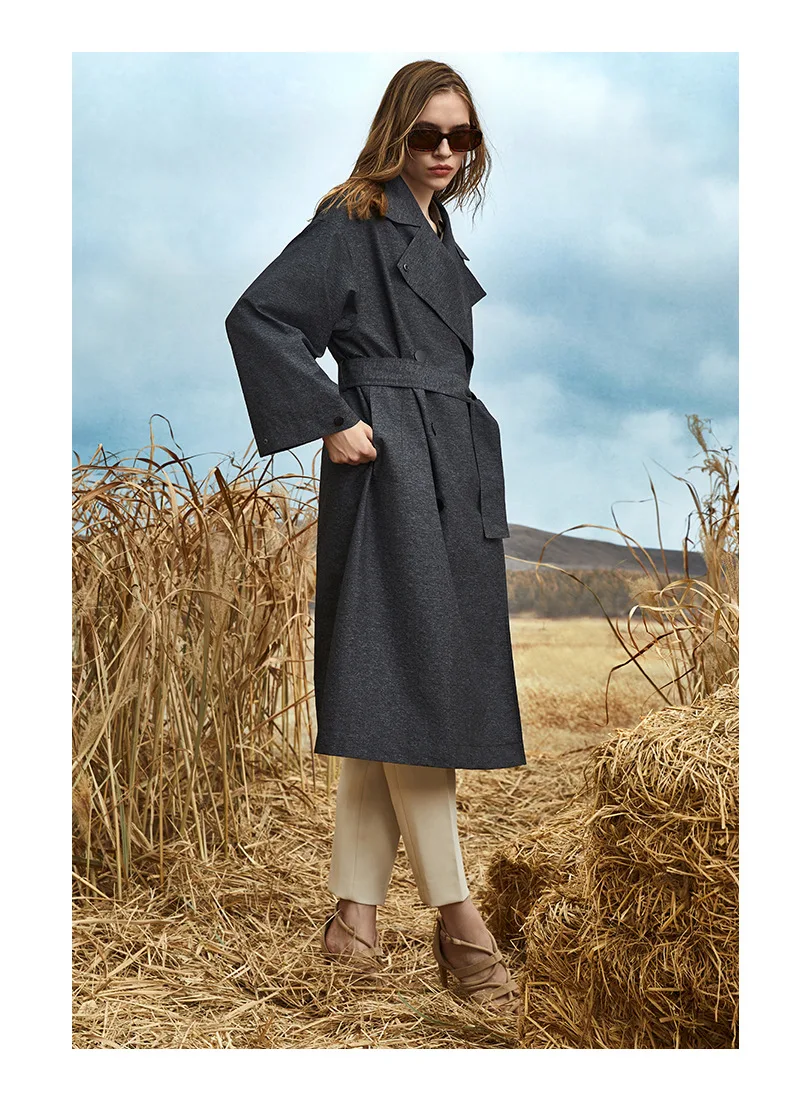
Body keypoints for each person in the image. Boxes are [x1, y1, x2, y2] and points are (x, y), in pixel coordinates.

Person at [225, 60, 525, 1014]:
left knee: (387, 682)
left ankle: (352, 921)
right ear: (397, 131)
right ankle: (460, 919)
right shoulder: (354, 219)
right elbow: (260, 317)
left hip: (448, 464)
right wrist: (332, 416)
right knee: (416, 684)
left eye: (461, 137)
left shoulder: (434, 232)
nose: (444, 152)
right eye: (428, 134)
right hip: (391, 466)